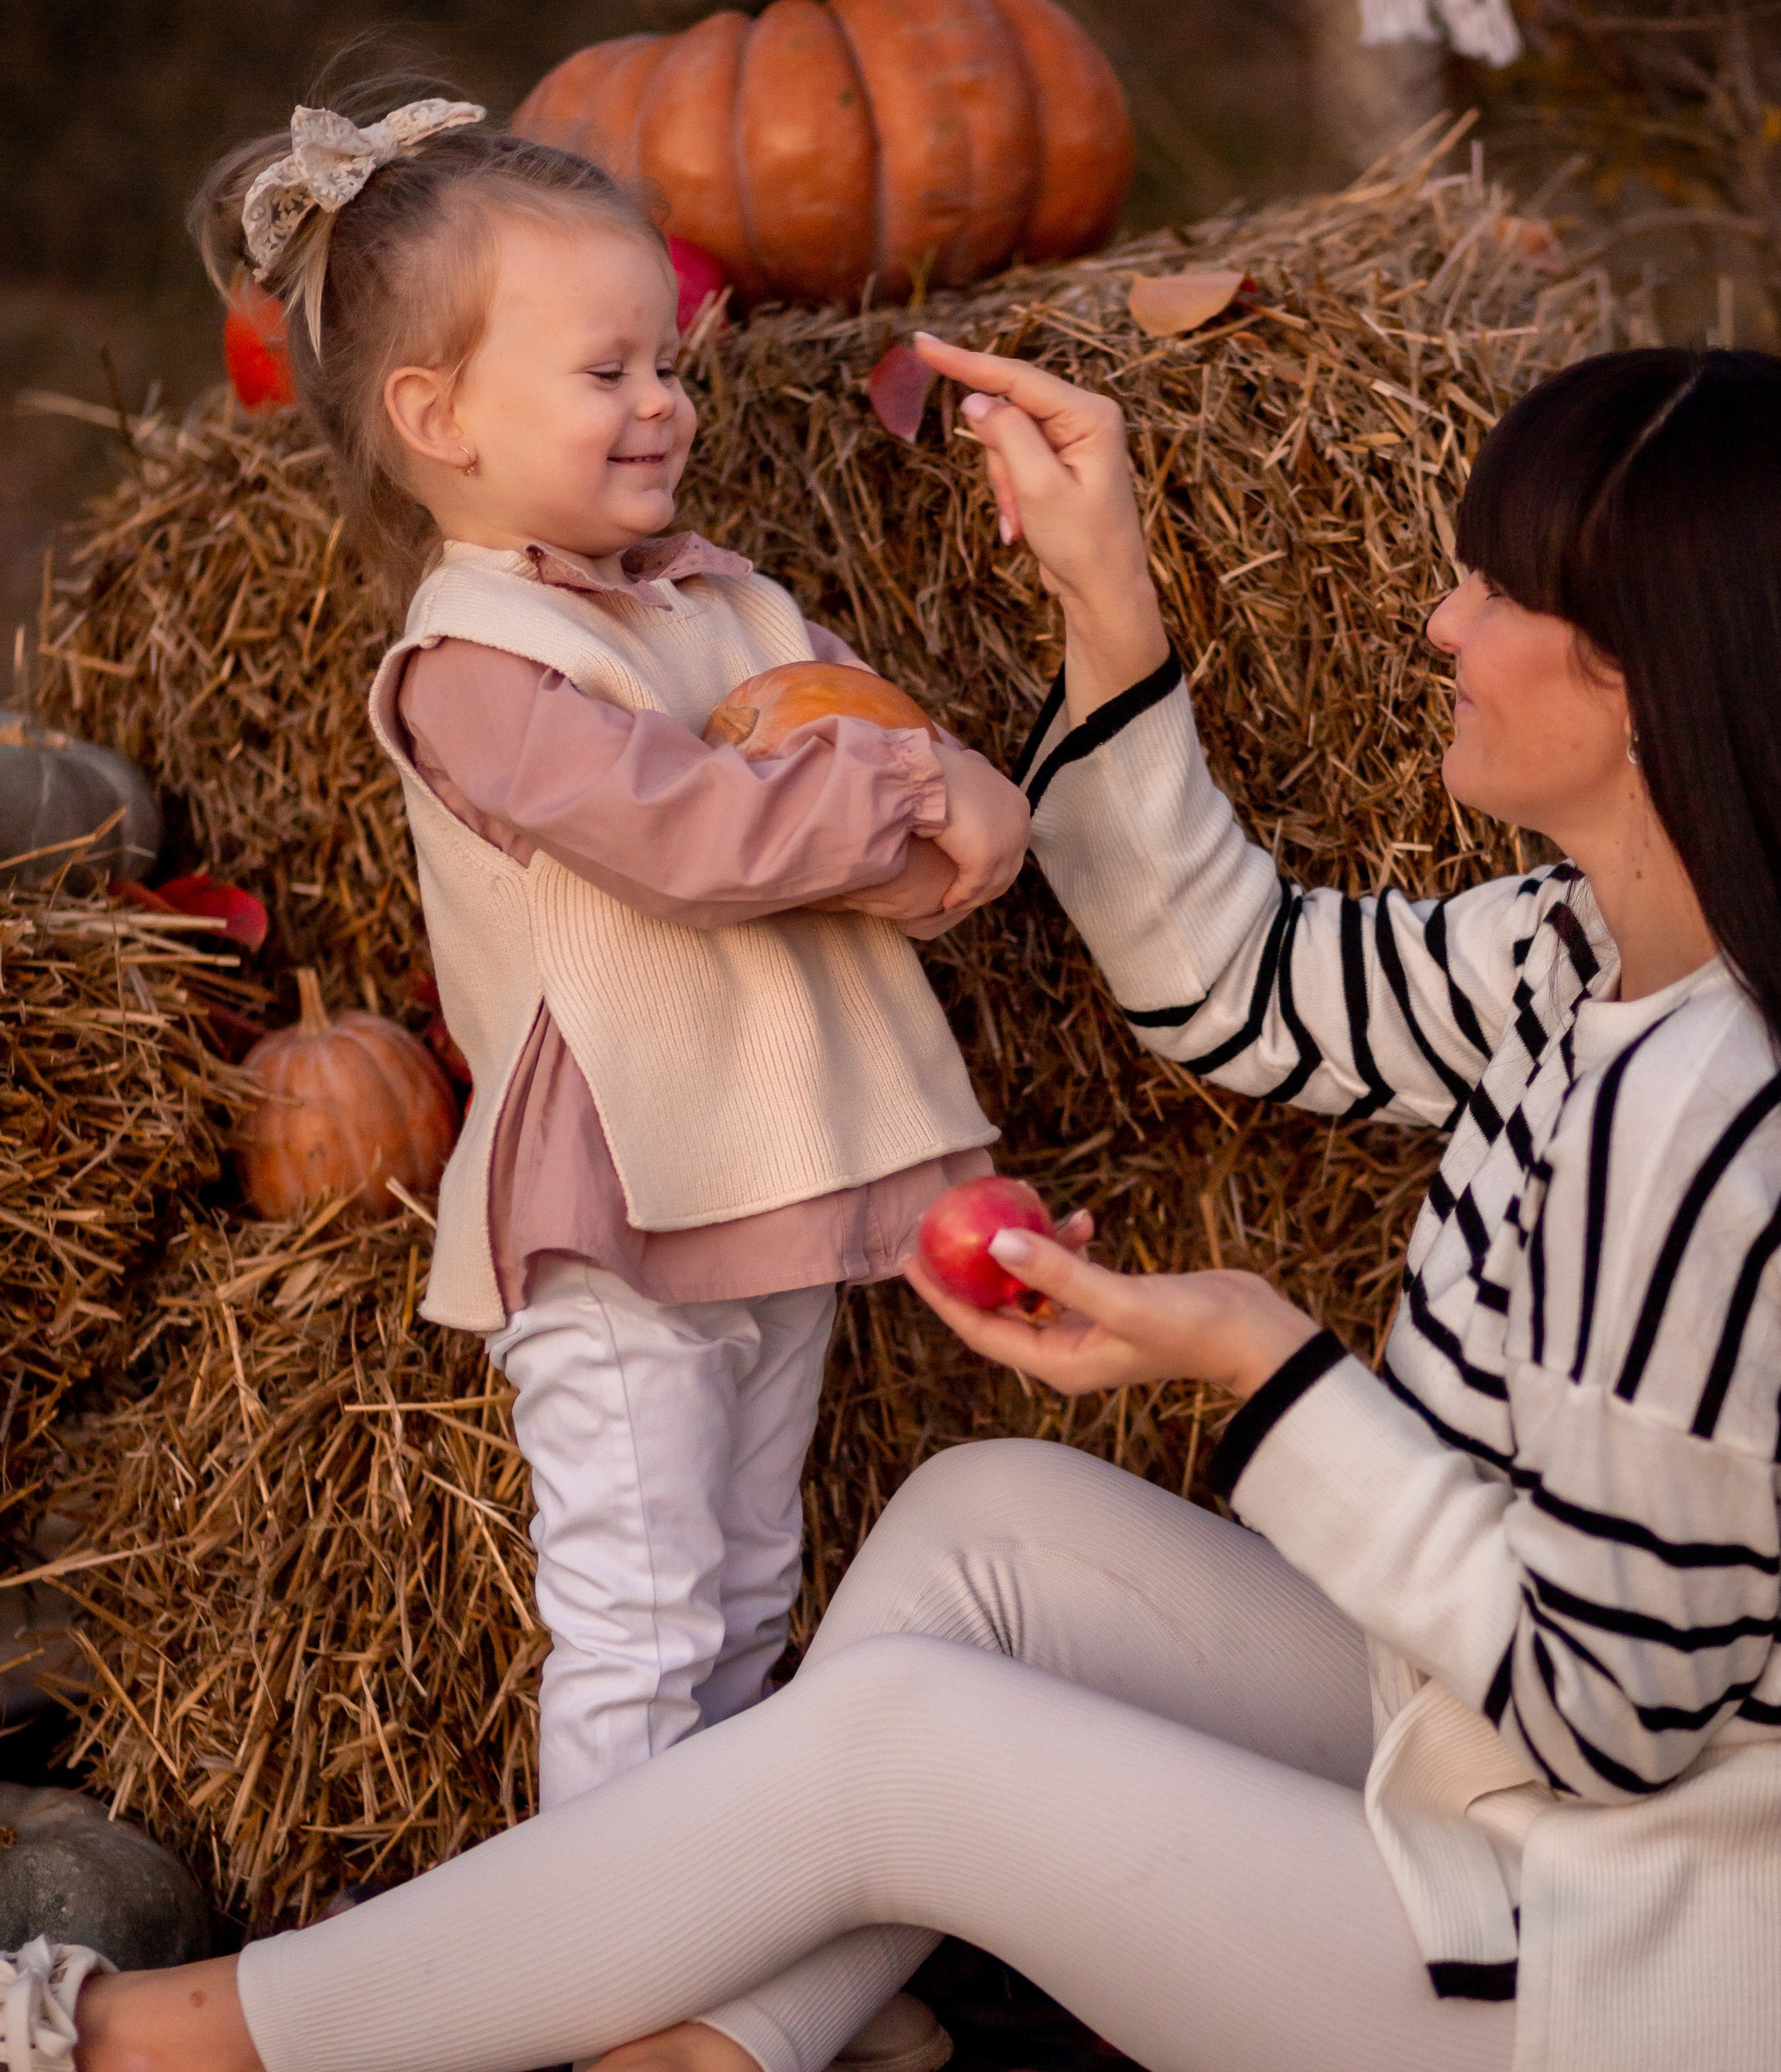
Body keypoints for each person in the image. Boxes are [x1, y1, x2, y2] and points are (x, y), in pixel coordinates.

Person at [29, 336, 1781, 2072]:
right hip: (1549, 1812)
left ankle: (155, 2038)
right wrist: (1104, 597)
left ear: (1646, 679)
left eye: (1489, 587)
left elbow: (1604, 1711)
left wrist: (1269, 1370)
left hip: (1654, 1980)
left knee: (899, 1747)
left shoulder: (1709, 1122)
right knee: (980, 1525)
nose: (1437, 622)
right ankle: (701, 2051)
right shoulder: (1595, 956)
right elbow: (1238, 985)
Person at [176, 88, 1034, 2072]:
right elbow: (692, 831)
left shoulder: (722, 598)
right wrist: (919, 785)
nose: (660, 402)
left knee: (744, 1593)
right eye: (603, 369)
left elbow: (850, 766)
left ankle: (727, 1970)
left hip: (768, 1158)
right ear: (437, 417)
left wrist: (938, 804)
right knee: (637, 1622)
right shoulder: (470, 664)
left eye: (668, 360)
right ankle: (614, 2003)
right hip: (616, 1199)